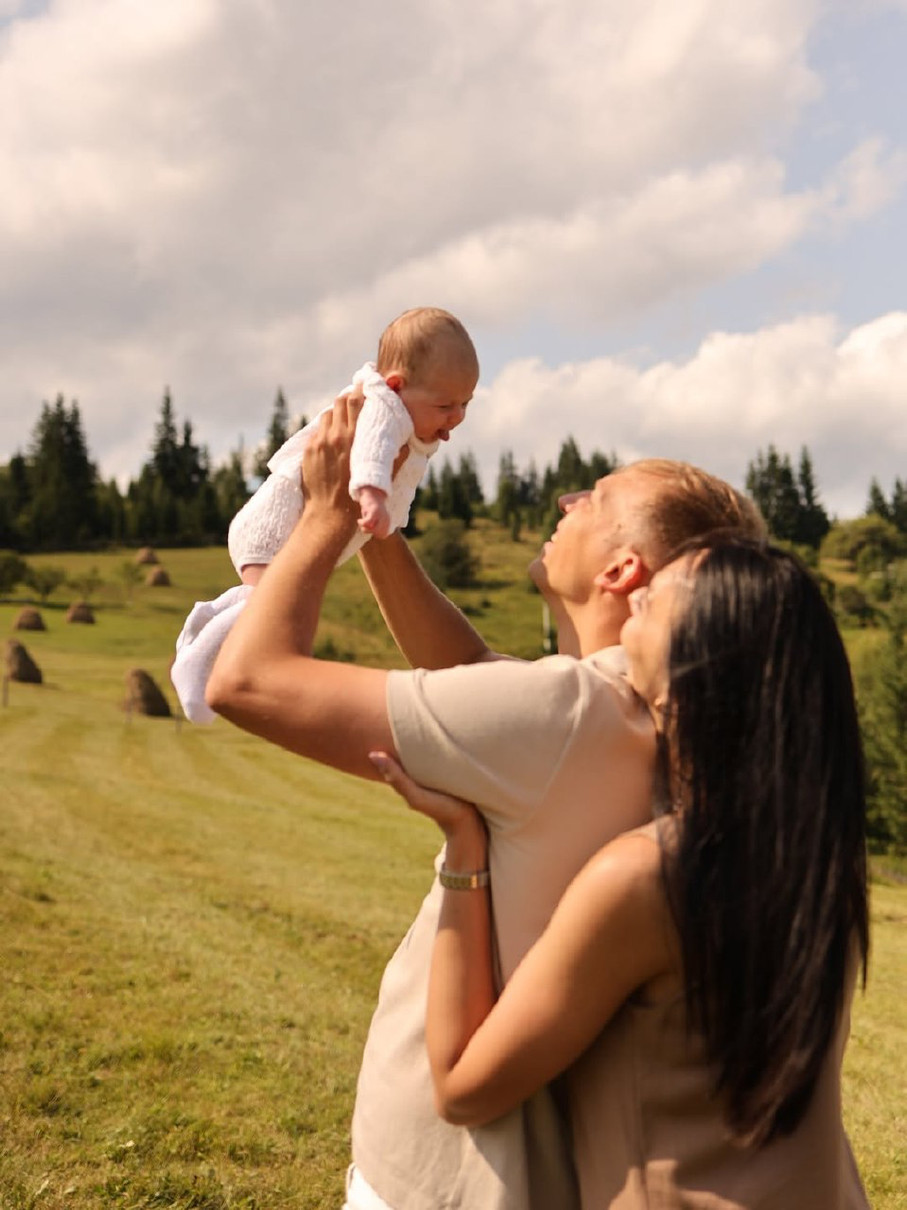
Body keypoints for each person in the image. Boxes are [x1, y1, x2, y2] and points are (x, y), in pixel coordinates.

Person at [205, 394, 766, 1210]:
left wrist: (324, 516)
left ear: (620, 571)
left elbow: (247, 683)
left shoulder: (566, 717)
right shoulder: (635, 716)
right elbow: (470, 669)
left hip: (441, 1176)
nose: (569, 501)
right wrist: (380, 527)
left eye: (596, 498)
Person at [373, 535, 870, 1209]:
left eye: (658, 596)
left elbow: (463, 1087)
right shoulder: (814, 862)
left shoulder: (647, 876)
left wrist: (465, 850)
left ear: (698, 664)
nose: (636, 592)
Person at [171, 306, 479, 723]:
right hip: (276, 529)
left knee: (261, 605)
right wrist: (370, 496)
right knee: (269, 610)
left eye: (465, 404)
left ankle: (203, 632)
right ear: (397, 385)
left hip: (287, 525)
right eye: (445, 405)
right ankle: (197, 677)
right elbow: (371, 453)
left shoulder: (405, 409)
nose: (456, 418)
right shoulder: (385, 411)